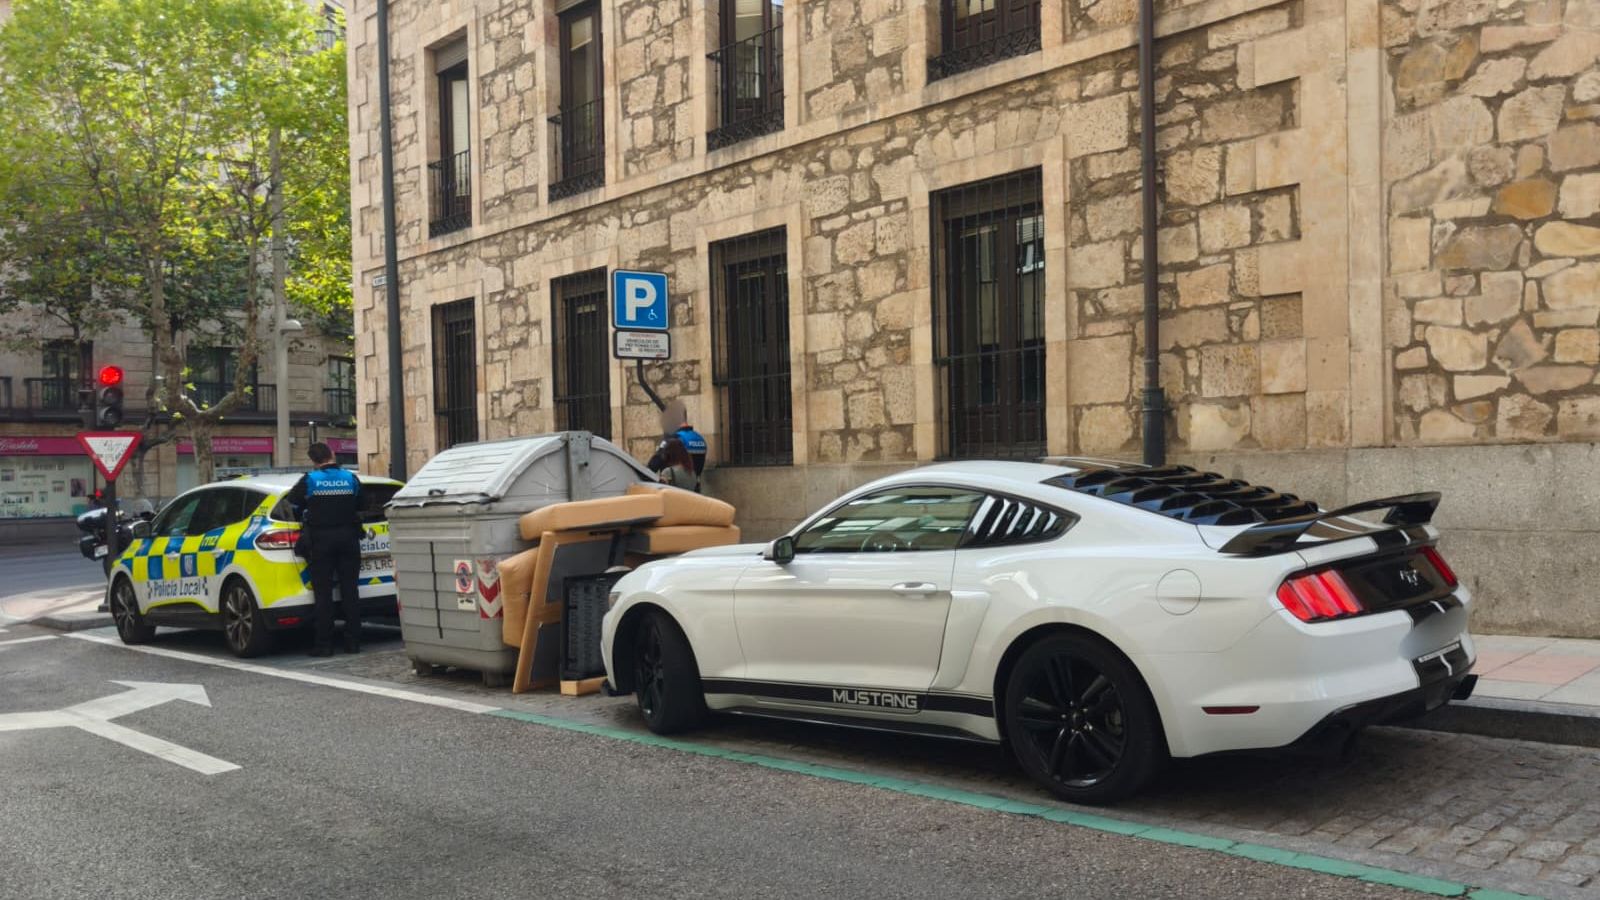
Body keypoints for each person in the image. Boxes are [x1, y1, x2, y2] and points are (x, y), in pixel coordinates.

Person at [285, 442, 364, 657]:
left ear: (313, 460)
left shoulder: (310, 480)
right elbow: (362, 503)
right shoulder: (350, 478)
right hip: (349, 538)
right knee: (350, 591)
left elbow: (292, 502)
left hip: (321, 539)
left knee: (323, 594)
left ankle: (324, 645)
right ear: (332, 454)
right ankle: (353, 642)